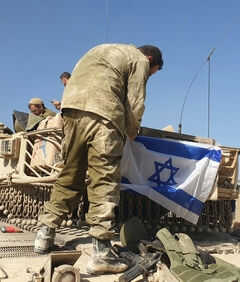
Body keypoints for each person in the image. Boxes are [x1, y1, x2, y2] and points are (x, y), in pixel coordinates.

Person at [34, 44, 163, 274]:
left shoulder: (102, 51)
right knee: (103, 179)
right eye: (153, 73)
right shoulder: (140, 60)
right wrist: (133, 132)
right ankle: (102, 253)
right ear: (151, 59)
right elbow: (135, 102)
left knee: (70, 173)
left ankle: (44, 234)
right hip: (103, 113)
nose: (149, 75)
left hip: (71, 109)